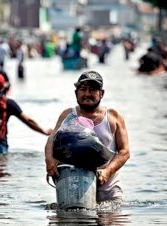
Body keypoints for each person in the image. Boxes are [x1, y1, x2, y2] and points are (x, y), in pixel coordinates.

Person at [45, 71, 130, 203]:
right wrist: (49, 160)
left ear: (101, 93)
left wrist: (107, 171)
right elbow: (52, 139)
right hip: (73, 186)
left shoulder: (114, 117)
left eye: (92, 90)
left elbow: (125, 152)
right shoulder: (67, 115)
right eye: (83, 89)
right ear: (76, 93)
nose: (87, 94)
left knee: (113, 220)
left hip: (108, 188)